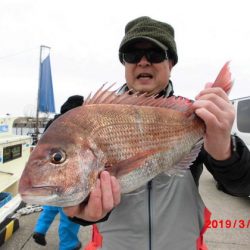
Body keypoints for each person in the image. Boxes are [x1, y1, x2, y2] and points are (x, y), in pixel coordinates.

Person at [63, 16, 250, 250]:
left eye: (154, 54)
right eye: (132, 54)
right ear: (124, 63)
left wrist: (225, 152)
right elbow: (78, 201)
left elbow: (242, 186)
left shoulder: (196, 117)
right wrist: (83, 213)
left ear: (171, 63)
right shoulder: (90, 118)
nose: (143, 62)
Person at [33, 95, 84, 250]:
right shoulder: (75, 124)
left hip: (50, 174)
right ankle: (69, 245)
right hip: (67, 175)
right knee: (69, 213)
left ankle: (40, 229)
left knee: (51, 205)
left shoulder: (52, 122)